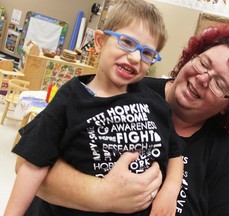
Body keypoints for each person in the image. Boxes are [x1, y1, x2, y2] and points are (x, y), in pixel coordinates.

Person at [15, 24, 229, 215]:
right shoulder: (122, 86)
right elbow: (29, 159)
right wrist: (101, 195)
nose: (203, 78)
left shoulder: (225, 161)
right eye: (204, 63)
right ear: (190, 58)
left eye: (220, 84)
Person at [5, 0, 183, 215]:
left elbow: (175, 153)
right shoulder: (71, 98)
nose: (135, 57)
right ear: (100, 41)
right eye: (126, 42)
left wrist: (171, 189)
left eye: (147, 53)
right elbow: (34, 163)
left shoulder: (155, 103)